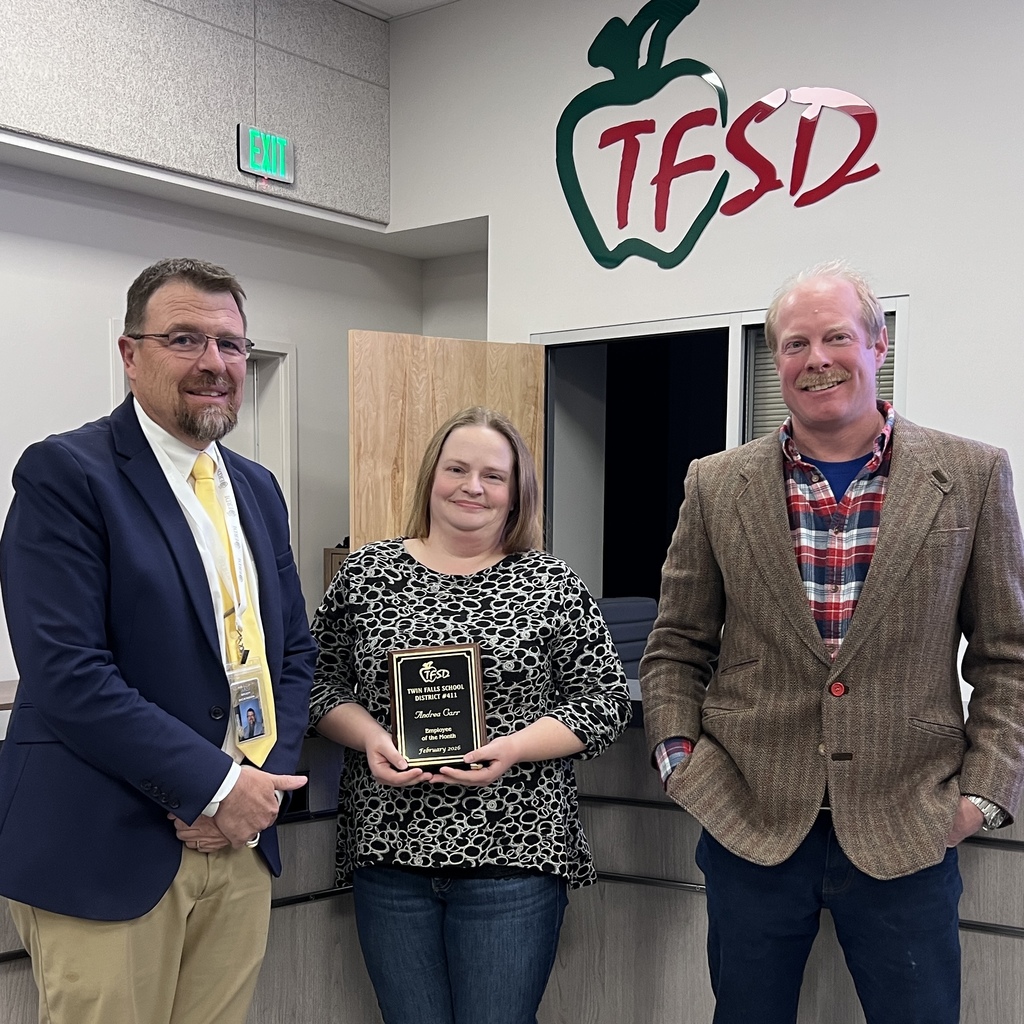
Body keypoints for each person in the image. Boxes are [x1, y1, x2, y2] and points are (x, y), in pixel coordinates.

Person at [639, 260, 1024, 1024]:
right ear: (774, 360)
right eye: (794, 343)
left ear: (877, 346)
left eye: (836, 337)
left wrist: (983, 795)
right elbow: (676, 645)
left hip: (908, 825)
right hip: (749, 819)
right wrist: (680, 761)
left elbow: (1008, 657)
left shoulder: (972, 475)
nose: (816, 359)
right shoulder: (716, 484)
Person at [0, 257, 318, 1024]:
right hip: (107, 845)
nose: (214, 363)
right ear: (130, 354)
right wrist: (214, 785)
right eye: (185, 339)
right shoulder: (66, 475)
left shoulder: (256, 487)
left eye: (231, 345)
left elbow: (293, 656)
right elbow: (70, 673)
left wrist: (256, 788)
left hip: (237, 843)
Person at [310, 406, 632, 1024]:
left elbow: (605, 699)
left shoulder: (551, 582)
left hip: (515, 853)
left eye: (494, 475)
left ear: (516, 494)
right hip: (390, 849)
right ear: (433, 476)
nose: (472, 487)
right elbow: (318, 684)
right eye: (457, 468)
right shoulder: (366, 574)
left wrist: (513, 747)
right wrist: (372, 735)